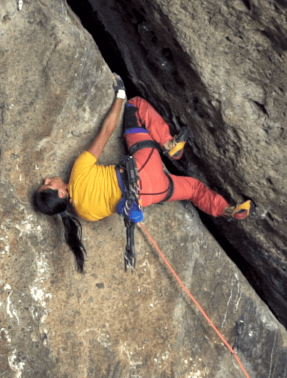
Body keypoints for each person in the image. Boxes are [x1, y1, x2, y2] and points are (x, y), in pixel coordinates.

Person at [34, 75, 251, 272]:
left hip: (149, 194)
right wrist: (120, 94)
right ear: (61, 193)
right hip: (141, 167)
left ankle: (228, 210)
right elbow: (107, 130)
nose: (47, 179)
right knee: (136, 106)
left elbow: (119, 206)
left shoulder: (85, 214)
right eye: (48, 185)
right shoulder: (78, 172)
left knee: (194, 189)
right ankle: (169, 144)